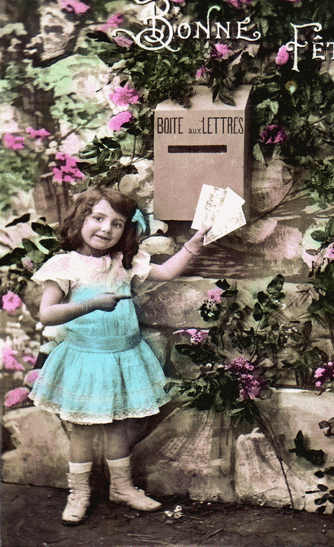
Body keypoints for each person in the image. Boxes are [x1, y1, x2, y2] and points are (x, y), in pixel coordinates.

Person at [29, 187, 208, 526]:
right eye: (98, 218)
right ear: (81, 219)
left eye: (116, 223)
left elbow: (167, 272)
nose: (106, 229)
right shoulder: (65, 265)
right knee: (82, 429)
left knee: (118, 427)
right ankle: (79, 492)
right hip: (86, 359)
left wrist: (192, 246)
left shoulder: (123, 262)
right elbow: (47, 314)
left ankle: (122, 487)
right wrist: (91, 304)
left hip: (123, 357)